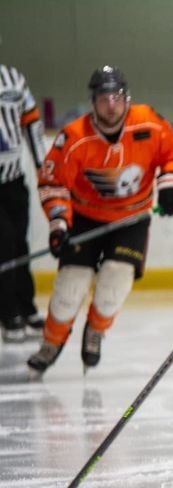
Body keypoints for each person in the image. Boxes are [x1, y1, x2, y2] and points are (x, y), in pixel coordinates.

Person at [27, 65, 173, 377]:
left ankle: (95, 331)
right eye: (103, 98)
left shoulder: (148, 122)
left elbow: (172, 153)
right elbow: (53, 182)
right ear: (93, 101)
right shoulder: (73, 137)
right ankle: (51, 342)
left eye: (117, 96)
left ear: (127, 98)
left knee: (115, 281)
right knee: (69, 288)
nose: (111, 104)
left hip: (132, 218)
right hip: (85, 218)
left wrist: (170, 185)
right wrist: (59, 224)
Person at [0, 63, 46, 343]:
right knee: (3, 244)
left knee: (19, 243)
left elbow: (31, 122)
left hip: (14, 180)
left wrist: (44, 166)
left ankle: (25, 306)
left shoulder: (14, 78)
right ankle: (8, 313)